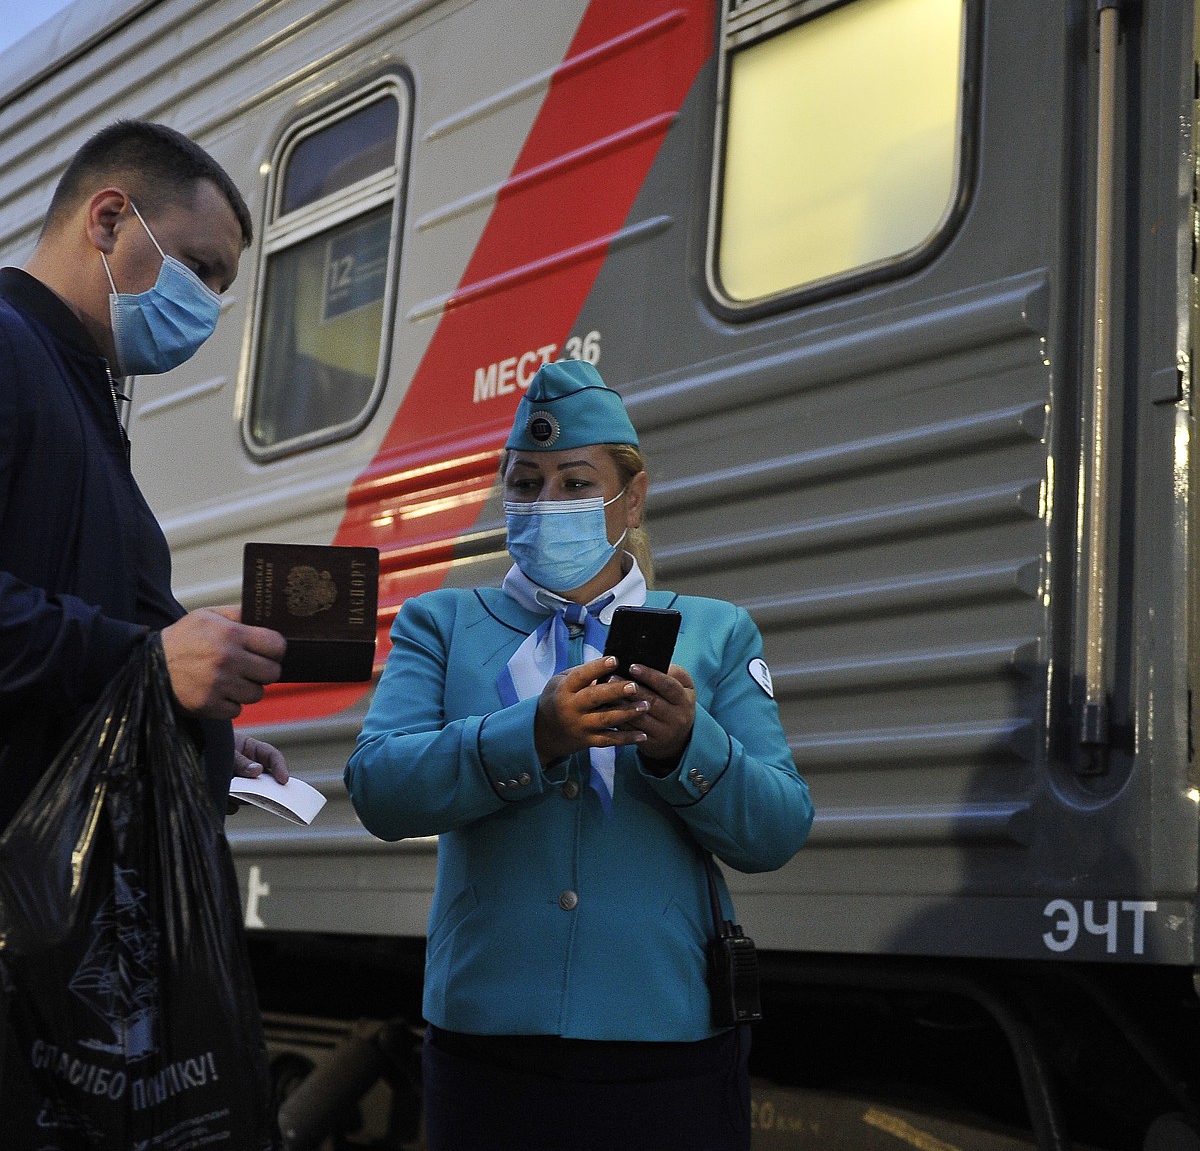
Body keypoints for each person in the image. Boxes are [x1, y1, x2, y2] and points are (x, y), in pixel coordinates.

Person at [345, 359, 814, 1151]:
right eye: (524, 484)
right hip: (491, 1031)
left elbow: (776, 829)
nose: (544, 504)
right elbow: (379, 788)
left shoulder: (715, 629)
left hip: (666, 1033)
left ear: (632, 499)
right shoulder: (442, 622)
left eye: (572, 483)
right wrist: (534, 736)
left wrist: (684, 748)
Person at [0, 119, 289, 837]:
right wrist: (151, 662)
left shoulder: (80, 392)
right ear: (107, 220)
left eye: (220, 287)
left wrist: (202, 737)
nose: (207, 307)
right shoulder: (10, 351)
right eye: (197, 268)